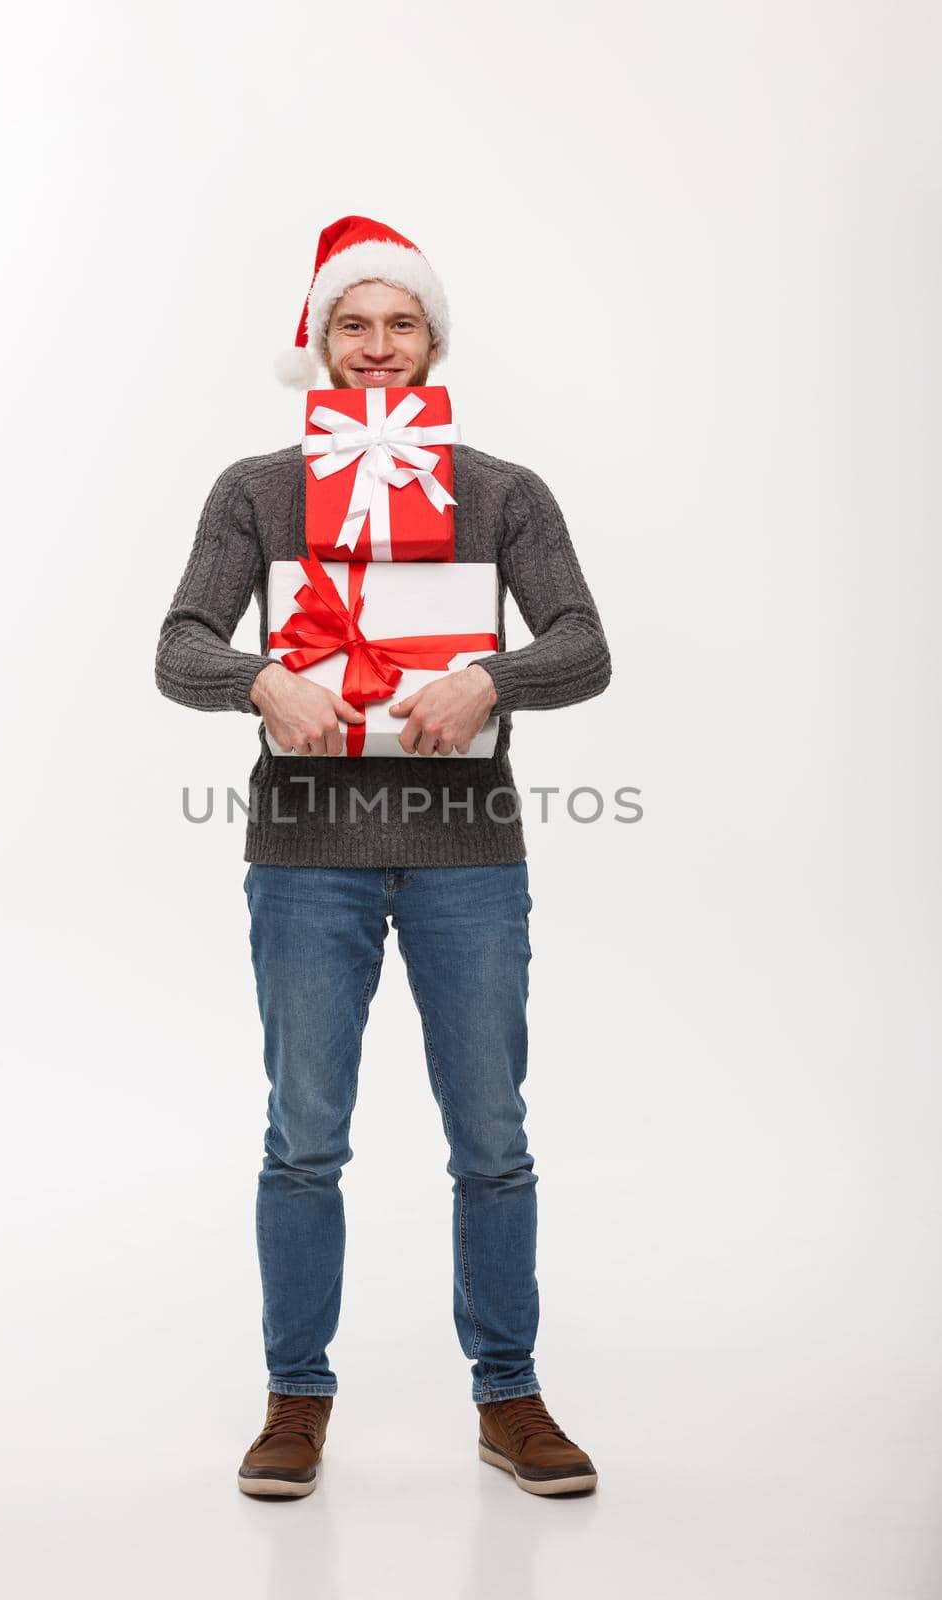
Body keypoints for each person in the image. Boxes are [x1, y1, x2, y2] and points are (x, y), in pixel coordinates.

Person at [154, 215, 612, 1499]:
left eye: (398, 323)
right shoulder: (257, 488)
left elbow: (580, 643)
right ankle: (295, 1397)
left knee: (492, 1136)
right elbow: (179, 643)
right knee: (304, 1136)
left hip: (468, 851)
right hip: (306, 852)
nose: (374, 346)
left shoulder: (500, 490)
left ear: (432, 339)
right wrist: (259, 683)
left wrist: (487, 679)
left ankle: (506, 1394)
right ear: (316, 342)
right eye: (350, 324)